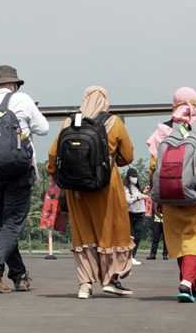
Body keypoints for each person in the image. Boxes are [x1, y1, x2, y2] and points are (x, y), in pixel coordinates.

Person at [46, 86, 135, 299]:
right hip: (106, 187)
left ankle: (84, 284)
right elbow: (128, 156)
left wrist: (57, 175)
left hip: (75, 190)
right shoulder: (114, 123)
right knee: (111, 231)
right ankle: (111, 279)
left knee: (83, 233)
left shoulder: (68, 122)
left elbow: (52, 155)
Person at [0, 64, 49, 293]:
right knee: (12, 225)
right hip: (20, 173)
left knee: (6, 227)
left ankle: (19, 275)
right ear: (14, 85)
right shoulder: (23, 100)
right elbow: (43, 128)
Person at [147, 87, 196, 303]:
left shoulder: (163, 130)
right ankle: (187, 282)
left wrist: (157, 197)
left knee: (180, 240)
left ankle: (190, 286)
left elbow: (153, 166)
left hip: (170, 195)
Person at [124, 168, 145, 265]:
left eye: (136, 176)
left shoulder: (138, 187)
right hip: (131, 214)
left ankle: (133, 255)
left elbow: (142, 196)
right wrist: (138, 197)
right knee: (131, 236)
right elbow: (128, 201)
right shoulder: (126, 188)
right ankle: (128, 256)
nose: (135, 178)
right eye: (133, 176)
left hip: (140, 213)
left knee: (138, 235)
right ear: (129, 177)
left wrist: (143, 193)